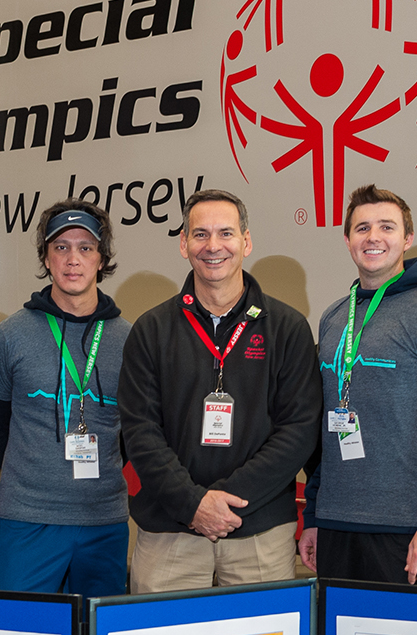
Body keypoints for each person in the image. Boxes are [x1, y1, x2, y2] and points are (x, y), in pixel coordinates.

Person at [119, 189, 322, 592]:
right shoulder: (151, 330)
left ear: (246, 242)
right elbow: (140, 432)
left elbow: (300, 429)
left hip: (260, 530)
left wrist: (225, 499)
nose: (213, 246)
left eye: (226, 233)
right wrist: (193, 504)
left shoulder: (287, 327)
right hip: (170, 532)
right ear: (183, 243)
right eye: (200, 234)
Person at [298, 186, 417, 585]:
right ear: (347, 240)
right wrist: (313, 514)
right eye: (362, 228)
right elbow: (322, 430)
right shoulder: (333, 318)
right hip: (336, 522)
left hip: (409, 528)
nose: (373, 237)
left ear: (407, 238)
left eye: (386, 226)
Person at [0, 200, 131, 596]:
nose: (73, 259)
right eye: (61, 247)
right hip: (27, 522)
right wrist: (37, 472)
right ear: (46, 258)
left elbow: (133, 431)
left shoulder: (127, 340)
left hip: (104, 522)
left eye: (86, 247)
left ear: (102, 259)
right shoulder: (10, 336)